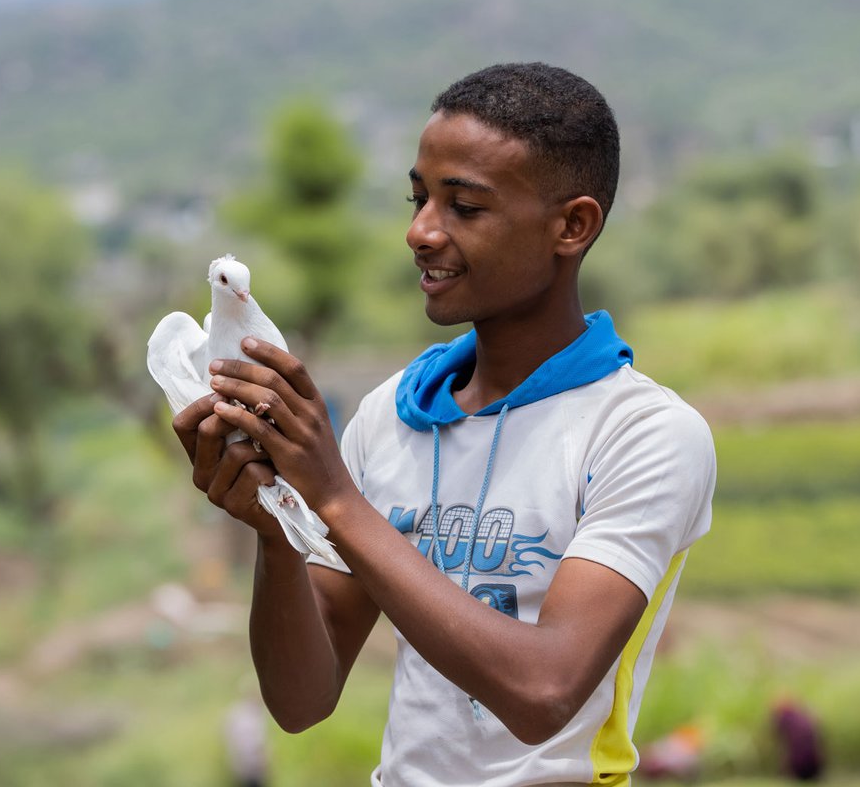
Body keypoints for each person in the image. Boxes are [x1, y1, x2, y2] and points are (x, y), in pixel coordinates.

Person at [171, 62, 716, 787]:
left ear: (572, 225)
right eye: (419, 197)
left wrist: (333, 499)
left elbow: (545, 692)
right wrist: (276, 523)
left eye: (464, 206)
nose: (420, 231)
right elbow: (302, 700)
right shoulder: (391, 417)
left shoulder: (642, 433)